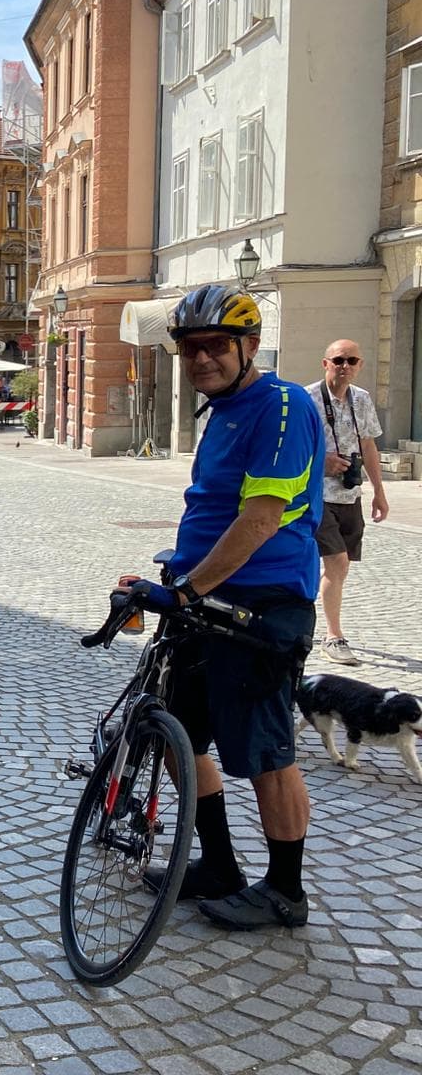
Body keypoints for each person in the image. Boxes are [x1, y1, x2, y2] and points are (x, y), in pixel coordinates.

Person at [127, 284, 321, 930]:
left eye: (216, 346)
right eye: (191, 348)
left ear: (250, 346)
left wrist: (186, 590)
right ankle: (217, 865)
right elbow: (209, 508)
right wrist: (175, 575)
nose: (202, 359)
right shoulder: (218, 413)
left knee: (267, 753)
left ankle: (285, 890)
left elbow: (261, 518)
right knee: (180, 734)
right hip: (206, 599)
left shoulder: (283, 405)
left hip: (264, 604)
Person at [304, 340, 387, 665]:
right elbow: (293, 446)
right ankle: (334, 636)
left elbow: (368, 446)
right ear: (326, 363)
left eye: (352, 360)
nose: (345, 366)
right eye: (339, 360)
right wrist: (321, 462)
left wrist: (379, 491)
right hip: (315, 495)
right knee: (336, 562)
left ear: (360, 364)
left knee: (338, 567)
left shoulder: (362, 399)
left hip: (349, 494)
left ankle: (309, 614)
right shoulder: (307, 399)